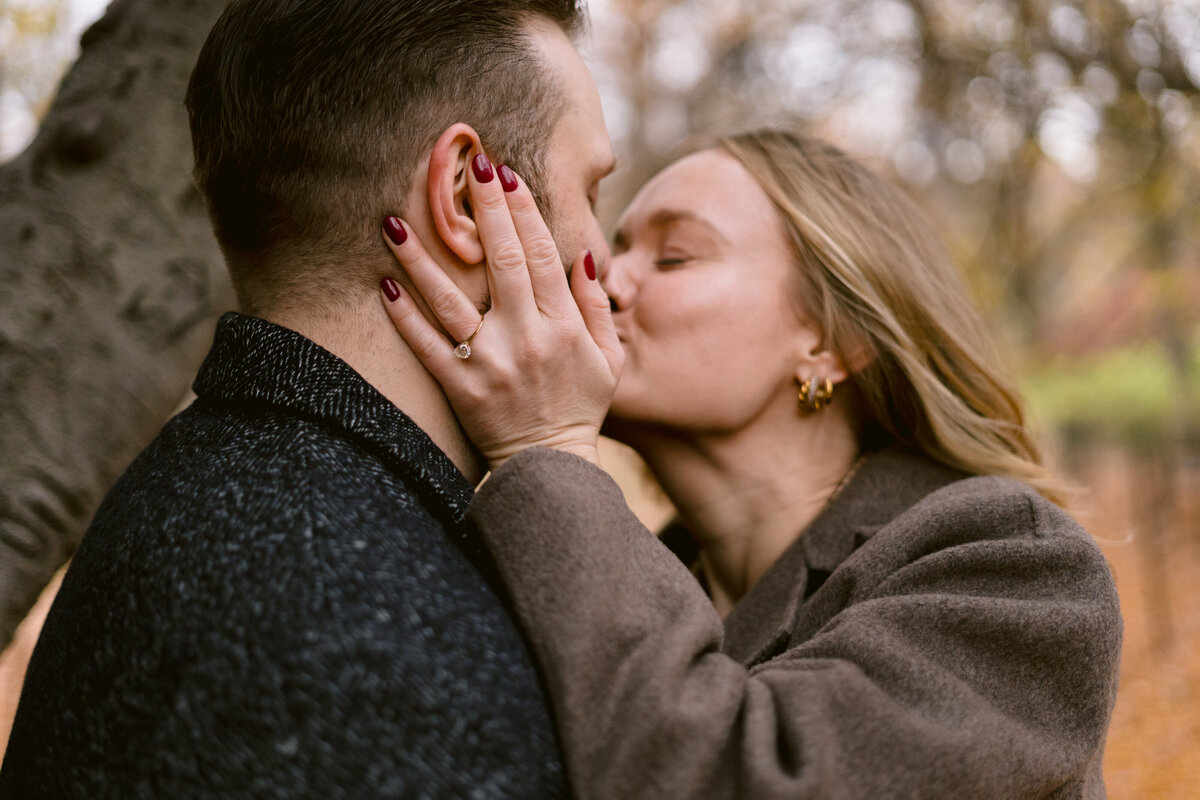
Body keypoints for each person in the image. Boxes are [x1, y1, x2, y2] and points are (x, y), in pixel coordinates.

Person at [376, 128, 1123, 799]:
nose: (604, 281)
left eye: (673, 255)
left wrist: (546, 447)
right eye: (616, 247)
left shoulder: (1012, 565)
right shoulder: (614, 574)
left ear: (831, 341)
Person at [0, 1, 615, 797]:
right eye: (593, 193)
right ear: (467, 199)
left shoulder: (193, 490)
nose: (609, 261)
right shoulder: (392, 642)